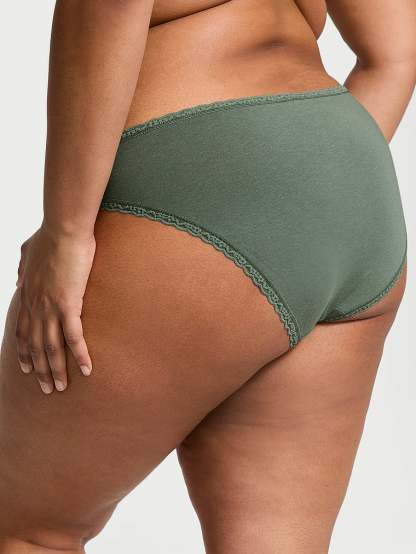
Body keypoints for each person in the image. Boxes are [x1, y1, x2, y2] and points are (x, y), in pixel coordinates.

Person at [0, 1, 414, 552]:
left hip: (199, 166)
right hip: (350, 179)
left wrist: (67, 232)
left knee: (27, 528)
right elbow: (394, 55)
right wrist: (302, 190)